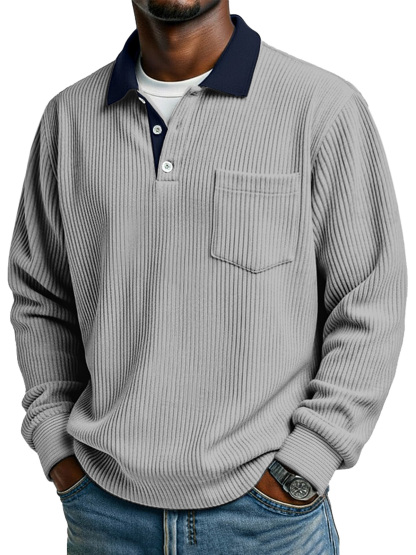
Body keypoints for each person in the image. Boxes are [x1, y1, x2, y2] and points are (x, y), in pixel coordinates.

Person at [7, 1, 407, 553]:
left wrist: (305, 464)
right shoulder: (68, 119)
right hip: (104, 515)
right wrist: (56, 445)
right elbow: (41, 296)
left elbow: (370, 298)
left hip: (266, 522)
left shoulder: (321, 108)